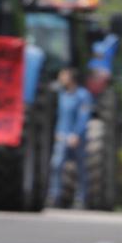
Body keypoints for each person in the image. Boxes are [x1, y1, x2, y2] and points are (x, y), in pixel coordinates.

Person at [49, 66, 94, 207]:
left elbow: (83, 117)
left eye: (63, 76)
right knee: (56, 165)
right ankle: (54, 196)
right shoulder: (61, 95)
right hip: (61, 136)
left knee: (81, 169)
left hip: (76, 138)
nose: (60, 79)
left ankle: (81, 199)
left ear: (71, 78)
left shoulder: (83, 95)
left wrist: (76, 134)